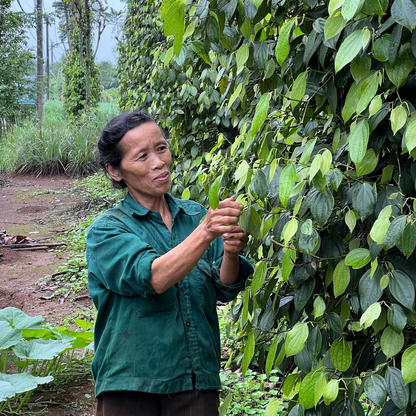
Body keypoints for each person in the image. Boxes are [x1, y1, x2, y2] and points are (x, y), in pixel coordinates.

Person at [86, 110, 253, 416]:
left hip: (195, 379)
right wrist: (206, 231)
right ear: (115, 170)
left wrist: (229, 252)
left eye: (161, 148)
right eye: (142, 156)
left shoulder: (193, 215)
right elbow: (154, 277)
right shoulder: (106, 231)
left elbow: (224, 286)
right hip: (130, 383)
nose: (158, 162)